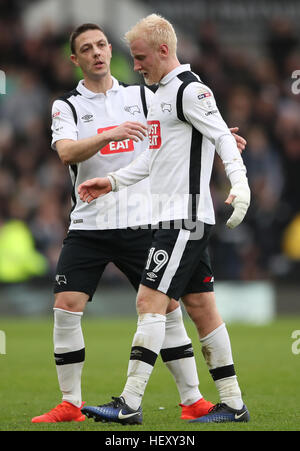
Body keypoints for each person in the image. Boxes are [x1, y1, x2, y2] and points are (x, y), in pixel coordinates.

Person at [31, 23, 246, 424]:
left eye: (101, 45)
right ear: (74, 59)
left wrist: (215, 137)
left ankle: (188, 399)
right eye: (85, 49)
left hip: (146, 219)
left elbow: (172, 136)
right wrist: (112, 139)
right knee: (66, 307)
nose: (96, 53)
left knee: (168, 309)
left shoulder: (145, 94)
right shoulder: (68, 106)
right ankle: (70, 403)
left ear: (109, 49)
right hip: (91, 220)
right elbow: (66, 152)